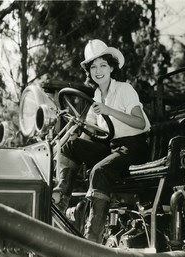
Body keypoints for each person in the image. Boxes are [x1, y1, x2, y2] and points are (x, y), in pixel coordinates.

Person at [52, 39, 151, 243]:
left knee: (99, 171)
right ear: (89, 71)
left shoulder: (124, 89)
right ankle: (59, 201)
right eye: (93, 67)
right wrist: (75, 130)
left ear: (111, 67)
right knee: (69, 146)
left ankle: (92, 239)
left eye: (103, 65)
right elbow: (89, 128)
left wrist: (108, 110)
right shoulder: (97, 95)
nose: (98, 71)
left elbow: (140, 123)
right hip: (113, 147)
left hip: (134, 147)